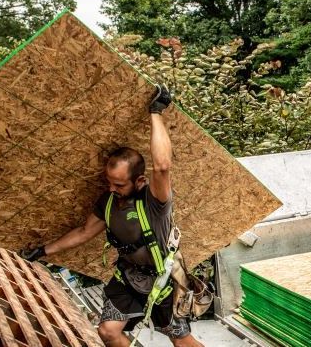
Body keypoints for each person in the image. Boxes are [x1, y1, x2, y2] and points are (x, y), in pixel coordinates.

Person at [22, 86, 203, 347]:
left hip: (163, 282)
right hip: (128, 279)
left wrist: (156, 111)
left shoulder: (154, 202)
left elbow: (162, 166)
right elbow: (84, 232)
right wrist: (42, 250)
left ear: (139, 180)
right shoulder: (108, 202)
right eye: (109, 182)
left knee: (182, 341)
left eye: (119, 185)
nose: (111, 189)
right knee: (108, 332)